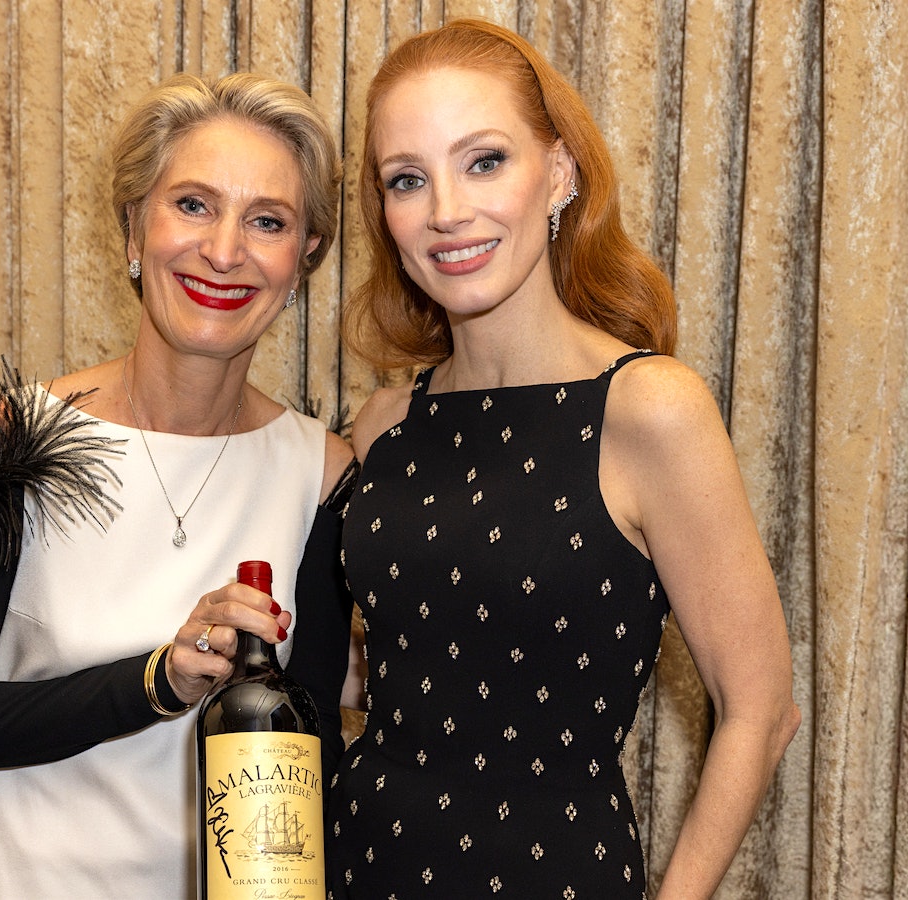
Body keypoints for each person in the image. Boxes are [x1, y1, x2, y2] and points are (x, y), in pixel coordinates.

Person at [329, 19, 800, 899]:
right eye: (407, 179)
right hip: (360, 865)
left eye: (484, 161)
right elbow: (419, 663)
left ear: (559, 172)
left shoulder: (650, 408)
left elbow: (762, 711)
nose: (445, 211)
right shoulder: (386, 421)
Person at [0, 72, 353, 898]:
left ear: (304, 255)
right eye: (193, 205)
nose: (225, 251)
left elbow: (309, 762)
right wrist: (156, 681)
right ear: (134, 225)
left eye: (268, 221)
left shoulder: (320, 473)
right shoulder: (13, 444)